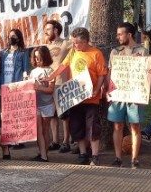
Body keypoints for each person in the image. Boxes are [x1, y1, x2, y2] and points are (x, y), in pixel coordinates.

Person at [41, 27, 107, 166]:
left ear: (86, 41)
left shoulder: (96, 53)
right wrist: (50, 77)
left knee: (92, 126)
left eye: (77, 43)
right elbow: (62, 66)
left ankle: (95, 155)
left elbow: (101, 74)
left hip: (91, 98)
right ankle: (83, 153)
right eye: (73, 42)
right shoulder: (73, 52)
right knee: (77, 126)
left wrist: (96, 89)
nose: (74, 45)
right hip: (75, 97)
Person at [107, 22, 149, 168]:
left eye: (120, 34)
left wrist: (144, 93)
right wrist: (109, 90)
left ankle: (134, 158)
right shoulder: (115, 52)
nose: (118, 37)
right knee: (117, 125)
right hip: (118, 94)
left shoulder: (142, 51)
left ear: (129, 34)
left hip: (135, 95)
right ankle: (118, 157)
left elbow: (146, 74)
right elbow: (110, 73)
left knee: (135, 126)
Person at [43, 20, 72, 152]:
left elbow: (83, 44)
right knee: (52, 114)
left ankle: (66, 141)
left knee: (64, 115)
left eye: (48, 29)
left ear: (56, 30)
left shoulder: (66, 43)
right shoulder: (45, 47)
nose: (46, 32)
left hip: (62, 83)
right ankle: (55, 140)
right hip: (49, 84)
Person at [29, 45, 55, 162]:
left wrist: (39, 87)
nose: (37, 60)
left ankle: (44, 153)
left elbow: (50, 90)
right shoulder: (33, 72)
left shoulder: (50, 71)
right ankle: (42, 153)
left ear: (45, 57)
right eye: (35, 58)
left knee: (45, 129)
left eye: (39, 57)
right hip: (35, 104)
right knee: (38, 130)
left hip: (47, 104)